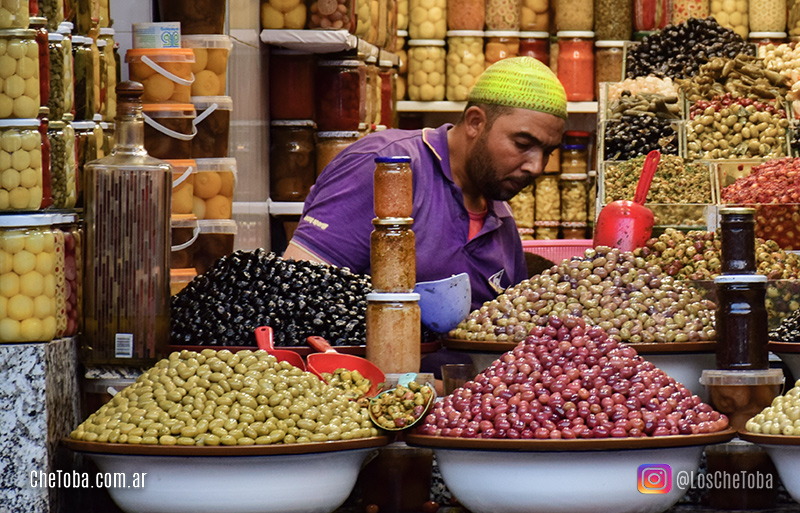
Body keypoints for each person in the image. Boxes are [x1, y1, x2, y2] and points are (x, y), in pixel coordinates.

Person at [283, 56, 568, 311]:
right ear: (474, 122)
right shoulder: (386, 166)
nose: (537, 166)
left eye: (548, 152)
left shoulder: (502, 222)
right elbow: (296, 293)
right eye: (522, 144)